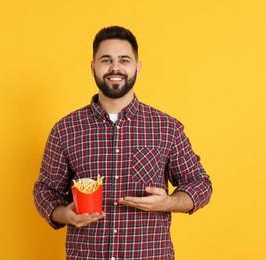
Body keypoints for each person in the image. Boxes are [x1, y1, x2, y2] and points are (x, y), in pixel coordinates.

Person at [33, 25, 212, 260]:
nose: (115, 67)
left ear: (137, 67)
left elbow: (200, 184)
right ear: (93, 67)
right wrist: (64, 214)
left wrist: (168, 202)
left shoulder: (167, 128)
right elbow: (45, 190)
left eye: (124, 60)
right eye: (106, 60)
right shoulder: (65, 129)